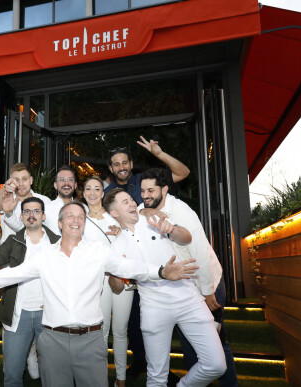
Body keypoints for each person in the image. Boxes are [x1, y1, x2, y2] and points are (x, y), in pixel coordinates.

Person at [0, 201, 199, 387]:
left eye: (80, 216)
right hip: (52, 342)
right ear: (59, 223)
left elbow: (130, 267)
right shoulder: (45, 255)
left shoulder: (98, 251)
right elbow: (14, 274)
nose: (75, 219)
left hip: (91, 342)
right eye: (69, 215)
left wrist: (161, 271)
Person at [104, 188, 226, 386]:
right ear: (114, 213)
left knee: (216, 364)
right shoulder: (116, 246)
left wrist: (171, 229)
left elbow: (187, 238)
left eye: (131, 200)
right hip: (154, 308)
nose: (133, 203)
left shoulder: (154, 221)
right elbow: (116, 288)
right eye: (124, 202)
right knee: (157, 376)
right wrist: (120, 272)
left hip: (189, 299)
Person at [139, 168, 238, 386]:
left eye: (150, 190)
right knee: (189, 346)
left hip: (207, 280)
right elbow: (135, 216)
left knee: (217, 343)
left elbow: (200, 251)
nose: (145, 195)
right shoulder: (144, 208)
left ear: (164, 189)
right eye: (142, 190)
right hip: (185, 287)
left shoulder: (182, 211)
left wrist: (207, 290)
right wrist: (143, 212)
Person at [105, 136, 191, 377]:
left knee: (164, 320)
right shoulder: (107, 194)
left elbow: (183, 173)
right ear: (111, 169)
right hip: (132, 266)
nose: (121, 167)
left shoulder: (145, 182)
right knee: (135, 321)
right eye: (116, 164)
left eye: (125, 162)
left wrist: (159, 153)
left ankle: (163, 368)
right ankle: (142, 361)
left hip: (161, 259)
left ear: (131, 164)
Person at [0, 197, 60, 387]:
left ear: (44, 216)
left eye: (36, 211)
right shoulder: (13, 240)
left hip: (50, 315)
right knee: (12, 375)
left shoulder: (57, 242)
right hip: (17, 315)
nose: (31, 215)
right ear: (22, 217)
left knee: (54, 375)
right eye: (26, 212)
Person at [83, 175, 132, 387]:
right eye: (88, 189)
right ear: (83, 193)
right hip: (97, 281)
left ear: (103, 193)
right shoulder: (79, 217)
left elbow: (132, 242)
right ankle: (100, 378)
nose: (92, 192)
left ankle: (121, 379)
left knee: (121, 330)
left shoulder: (115, 217)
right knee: (100, 331)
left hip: (122, 278)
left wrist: (122, 234)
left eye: (97, 188)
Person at [4, 165, 78, 235]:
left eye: (70, 180)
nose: (66, 183)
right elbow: (26, 228)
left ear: (75, 185)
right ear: (55, 185)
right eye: (62, 180)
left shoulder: (84, 209)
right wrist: (8, 213)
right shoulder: (46, 207)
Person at [0, 163, 51, 243]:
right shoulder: (6, 198)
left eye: (24, 179)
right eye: (16, 180)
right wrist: (5, 188)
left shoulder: (45, 201)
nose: (20, 184)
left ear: (31, 180)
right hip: (8, 252)